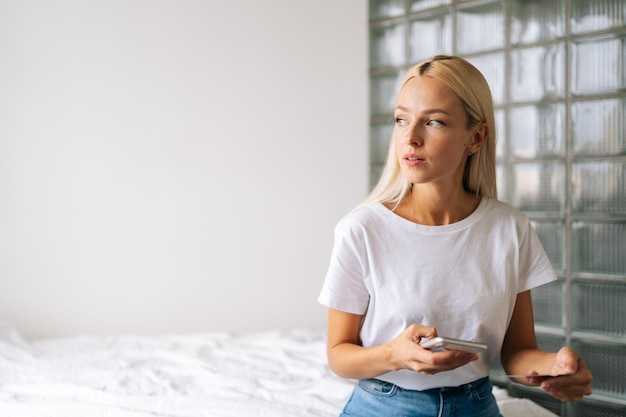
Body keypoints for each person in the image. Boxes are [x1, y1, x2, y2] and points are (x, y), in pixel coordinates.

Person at [318, 55, 592, 417]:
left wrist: (557, 366)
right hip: (383, 405)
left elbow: (517, 352)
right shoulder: (362, 230)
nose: (411, 138)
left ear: (476, 137)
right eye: (402, 120)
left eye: (433, 121)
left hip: (476, 404)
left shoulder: (509, 228)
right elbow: (339, 355)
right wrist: (392, 354)